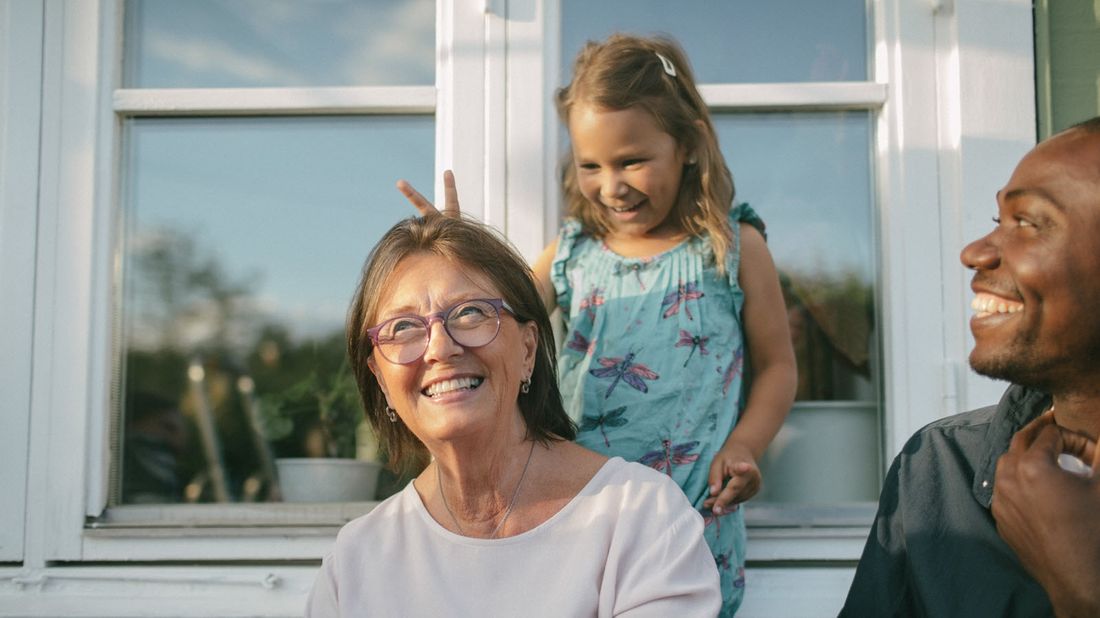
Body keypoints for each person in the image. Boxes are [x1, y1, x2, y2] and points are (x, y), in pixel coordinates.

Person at [400, 33, 797, 616]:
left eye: (632, 161)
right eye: (591, 165)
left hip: (694, 517)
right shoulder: (572, 253)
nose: (611, 185)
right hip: (576, 513)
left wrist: (745, 445)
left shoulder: (733, 246)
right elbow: (495, 316)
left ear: (687, 146)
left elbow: (779, 368)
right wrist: (456, 257)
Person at [305, 214, 721, 616]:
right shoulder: (356, 562)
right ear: (380, 380)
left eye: (469, 313)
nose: (439, 348)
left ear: (527, 350)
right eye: (403, 328)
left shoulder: (640, 517)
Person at [841, 117, 1100, 616]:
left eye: (1028, 222)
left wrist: (1084, 589)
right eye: (998, 219)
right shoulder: (940, 468)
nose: (975, 252)